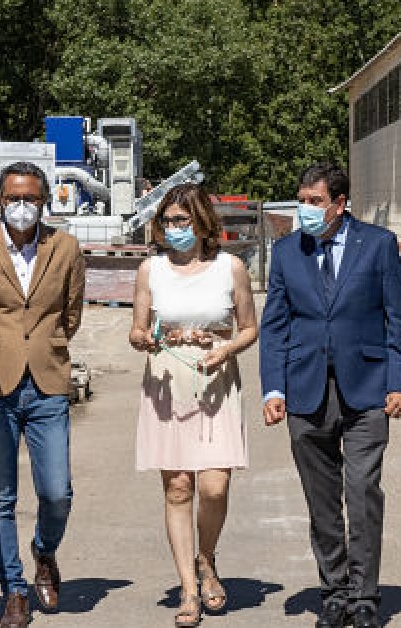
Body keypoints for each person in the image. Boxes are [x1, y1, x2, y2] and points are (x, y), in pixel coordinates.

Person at [258, 162, 401, 628]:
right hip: (305, 390)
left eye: (314, 201)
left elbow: (398, 319)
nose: (304, 209)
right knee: (321, 496)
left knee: (362, 489)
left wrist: (400, 382)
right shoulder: (287, 251)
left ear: (339, 204)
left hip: (367, 387)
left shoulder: (378, 246)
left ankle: (365, 596)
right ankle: (334, 590)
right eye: (301, 200)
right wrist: (273, 387)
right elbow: (275, 326)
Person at [0, 161, 86, 628]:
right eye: (13, 198)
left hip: (48, 381)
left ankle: (44, 551)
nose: (22, 206)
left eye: (31, 198)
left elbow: (71, 314)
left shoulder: (65, 247)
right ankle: (13, 589)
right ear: (0, 201)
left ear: (45, 201)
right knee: (0, 497)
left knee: (57, 492)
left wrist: (46, 346)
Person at [128, 184, 258, 628]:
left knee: (214, 487)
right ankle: (188, 587)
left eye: (182, 221)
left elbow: (248, 328)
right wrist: (145, 339)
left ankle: (207, 558)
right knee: (178, 486)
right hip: (167, 381)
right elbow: (137, 330)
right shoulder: (150, 270)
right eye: (168, 221)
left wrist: (224, 349)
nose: (174, 229)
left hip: (216, 378)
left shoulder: (230, 268)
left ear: (203, 222)